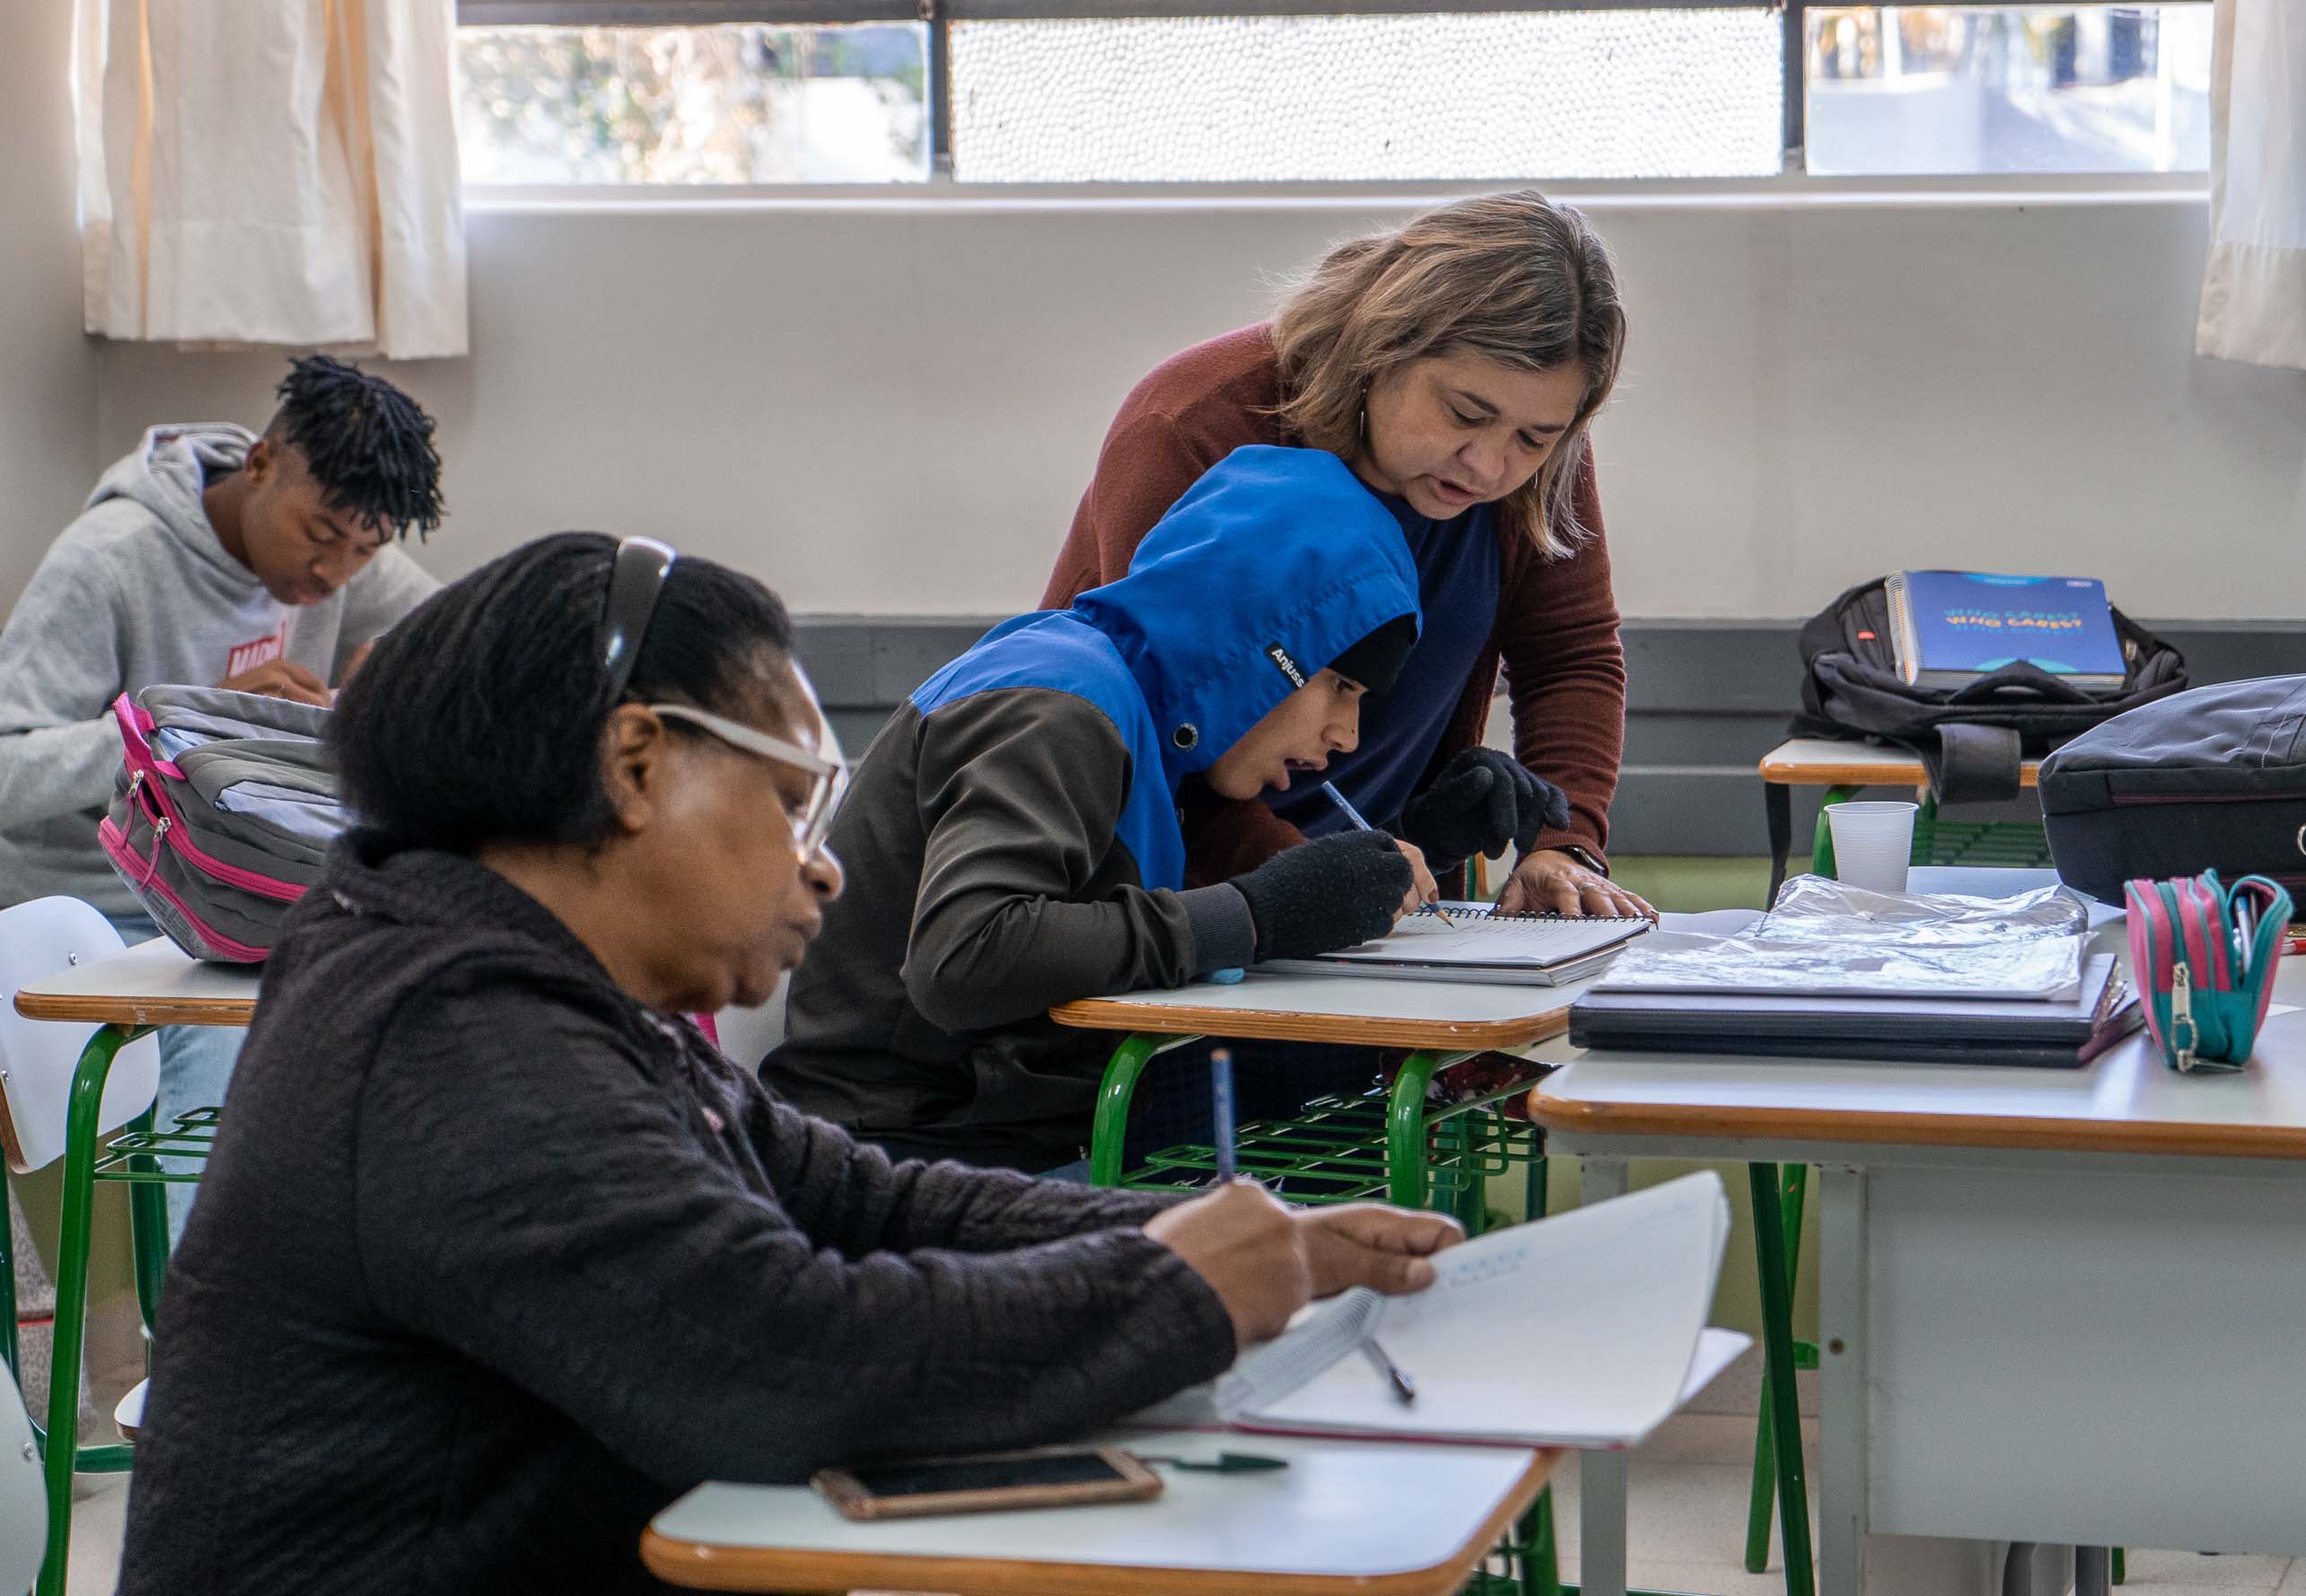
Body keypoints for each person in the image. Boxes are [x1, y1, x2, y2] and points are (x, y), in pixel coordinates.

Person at [114, 531, 1458, 1596]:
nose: (824, 867)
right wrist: (1172, 1287)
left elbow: (867, 1200)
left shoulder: (529, 980)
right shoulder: (452, 1039)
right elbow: (779, 1362)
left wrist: (1217, 1238)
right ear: (634, 764)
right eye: (792, 803)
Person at [765, 446, 1439, 1172]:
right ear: (1266, 647)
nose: (1347, 736)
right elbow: (964, 957)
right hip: (906, 1155)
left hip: (997, 1131)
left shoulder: (1130, 712)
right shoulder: (1060, 706)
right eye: (1341, 686)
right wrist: (1255, 915)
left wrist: (1425, 840)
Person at [1045, 190, 1653, 920]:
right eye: (1465, 413)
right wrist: (1302, 879)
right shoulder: (1190, 424)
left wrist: (1564, 842)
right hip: (1174, 891)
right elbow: (1156, 718)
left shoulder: (1539, 459)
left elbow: (1570, 656)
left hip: (1381, 887)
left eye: (1534, 438)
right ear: (1381, 344)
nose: (1490, 465)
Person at [0, 355, 443, 1235]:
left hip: (248, 888)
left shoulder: (340, 555)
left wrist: (397, 677)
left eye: (365, 551)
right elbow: (8, 767)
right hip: (105, 896)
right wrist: (178, 725)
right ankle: (212, 1294)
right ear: (262, 463)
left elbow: (464, 625)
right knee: (235, 1046)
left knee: (427, 985)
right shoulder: (109, 560)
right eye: (320, 534)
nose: (335, 573)